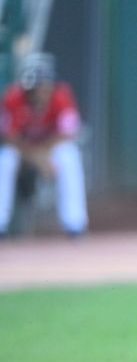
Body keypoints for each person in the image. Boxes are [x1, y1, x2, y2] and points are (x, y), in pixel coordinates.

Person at [0, 52, 88, 237]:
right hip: (23, 150)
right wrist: (34, 156)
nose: (40, 91)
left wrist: (43, 154)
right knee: (5, 159)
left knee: (69, 155)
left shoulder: (61, 96)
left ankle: (75, 224)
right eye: (35, 87)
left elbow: (68, 133)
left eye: (44, 85)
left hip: (48, 150)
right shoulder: (12, 98)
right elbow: (8, 136)